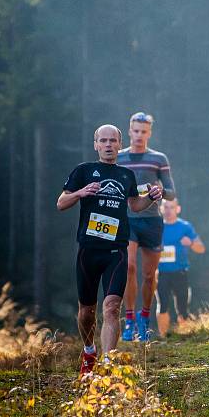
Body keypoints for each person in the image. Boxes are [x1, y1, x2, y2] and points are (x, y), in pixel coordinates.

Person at [57, 124, 163, 375]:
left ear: (118, 144)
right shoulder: (83, 171)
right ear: (95, 144)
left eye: (112, 141)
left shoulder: (126, 175)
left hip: (116, 250)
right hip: (88, 250)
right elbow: (61, 202)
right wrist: (81, 193)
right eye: (102, 141)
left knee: (112, 306)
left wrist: (151, 197)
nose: (107, 145)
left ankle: (108, 363)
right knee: (86, 311)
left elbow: (135, 205)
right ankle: (89, 350)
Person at [117, 112, 176, 341]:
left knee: (150, 275)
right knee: (129, 267)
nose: (140, 135)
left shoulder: (158, 158)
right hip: (127, 219)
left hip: (151, 220)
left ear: (149, 133)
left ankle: (144, 318)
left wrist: (160, 192)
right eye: (136, 131)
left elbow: (171, 192)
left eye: (144, 131)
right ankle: (129, 319)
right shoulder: (119, 158)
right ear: (130, 131)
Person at [156, 198, 206, 337]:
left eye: (172, 207)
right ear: (161, 209)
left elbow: (201, 248)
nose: (168, 210)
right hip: (161, 273)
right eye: (166, 207)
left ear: (178, 209)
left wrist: (190, 243)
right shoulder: (157, 226)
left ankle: (184, 334)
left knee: (183, 307)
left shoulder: (185, 226)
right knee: (163, 305)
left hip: (180, 272)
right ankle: (163, 337)